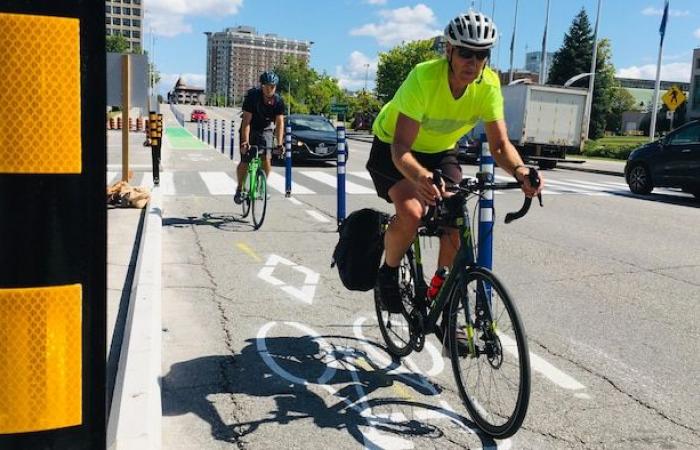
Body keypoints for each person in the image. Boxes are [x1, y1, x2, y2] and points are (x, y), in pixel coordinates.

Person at [366, 11, 544, 315]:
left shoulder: (487, 85)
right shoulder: (423, 78)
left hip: (440, 151)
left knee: (455, 217)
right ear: (449, 50)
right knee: (412, 212)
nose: (472, 63)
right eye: (465, 53)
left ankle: (442, 298)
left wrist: (520, 169)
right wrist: (421, 178)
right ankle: (388, 273)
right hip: (393, 146)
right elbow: (401, 148)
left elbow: (500, 145)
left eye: (481, 55)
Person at [234, 71, 286, 204]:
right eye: (268, 86)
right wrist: (245, 142)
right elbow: (246, 122)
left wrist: (279, 144)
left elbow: (279, 123)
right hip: (250, 126)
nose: (270, 89)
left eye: (273, 86)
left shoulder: (278, 101)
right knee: (246, 159)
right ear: (262, 86)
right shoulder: (252, 97)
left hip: (266, 128)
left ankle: (261, 185)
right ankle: (240, 188)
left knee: (266, 159)